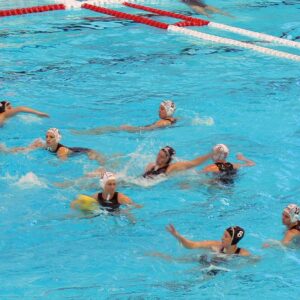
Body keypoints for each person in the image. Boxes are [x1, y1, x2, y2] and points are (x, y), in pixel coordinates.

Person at [72, 100, 177, 135]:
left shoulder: (162, 123)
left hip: (139, 130)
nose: (159, 110)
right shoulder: (174, 119)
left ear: (168, 111)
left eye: (162, 109)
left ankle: (85, 133)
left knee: (111, 129)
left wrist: (129, 128)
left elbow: (146, 129)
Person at [5, 128, 105, 163]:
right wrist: (8, 150)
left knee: (96, 159)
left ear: (57, 139)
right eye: (46, 136)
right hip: (75, 148)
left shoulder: (61, 151)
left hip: (84, 151)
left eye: (51, 137)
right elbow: (25, 149)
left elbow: (63, 164)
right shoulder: (44, 144)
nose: (48, 139)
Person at [71, 171, 142, 213]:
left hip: (117, 213)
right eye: (109, 184)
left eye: (114, 184)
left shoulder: (121, 198)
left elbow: (134, 206)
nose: (112, 187)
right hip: (101, 213)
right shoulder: (96, 196)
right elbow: (80, 202)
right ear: (103, 185)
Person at [166, 224, 250, 256]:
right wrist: (177, 236)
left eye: (226, 236)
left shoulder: (243, 254)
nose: (222, 238)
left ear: (233, 240)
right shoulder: (214, 245)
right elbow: (192, 245)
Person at [143, 146, 212, 178]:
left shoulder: (171, 168)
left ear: (168, 159)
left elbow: (194, 163)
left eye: (162, 157)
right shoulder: (151, 166)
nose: (158, 158)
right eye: (158, 155)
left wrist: (211, 154)